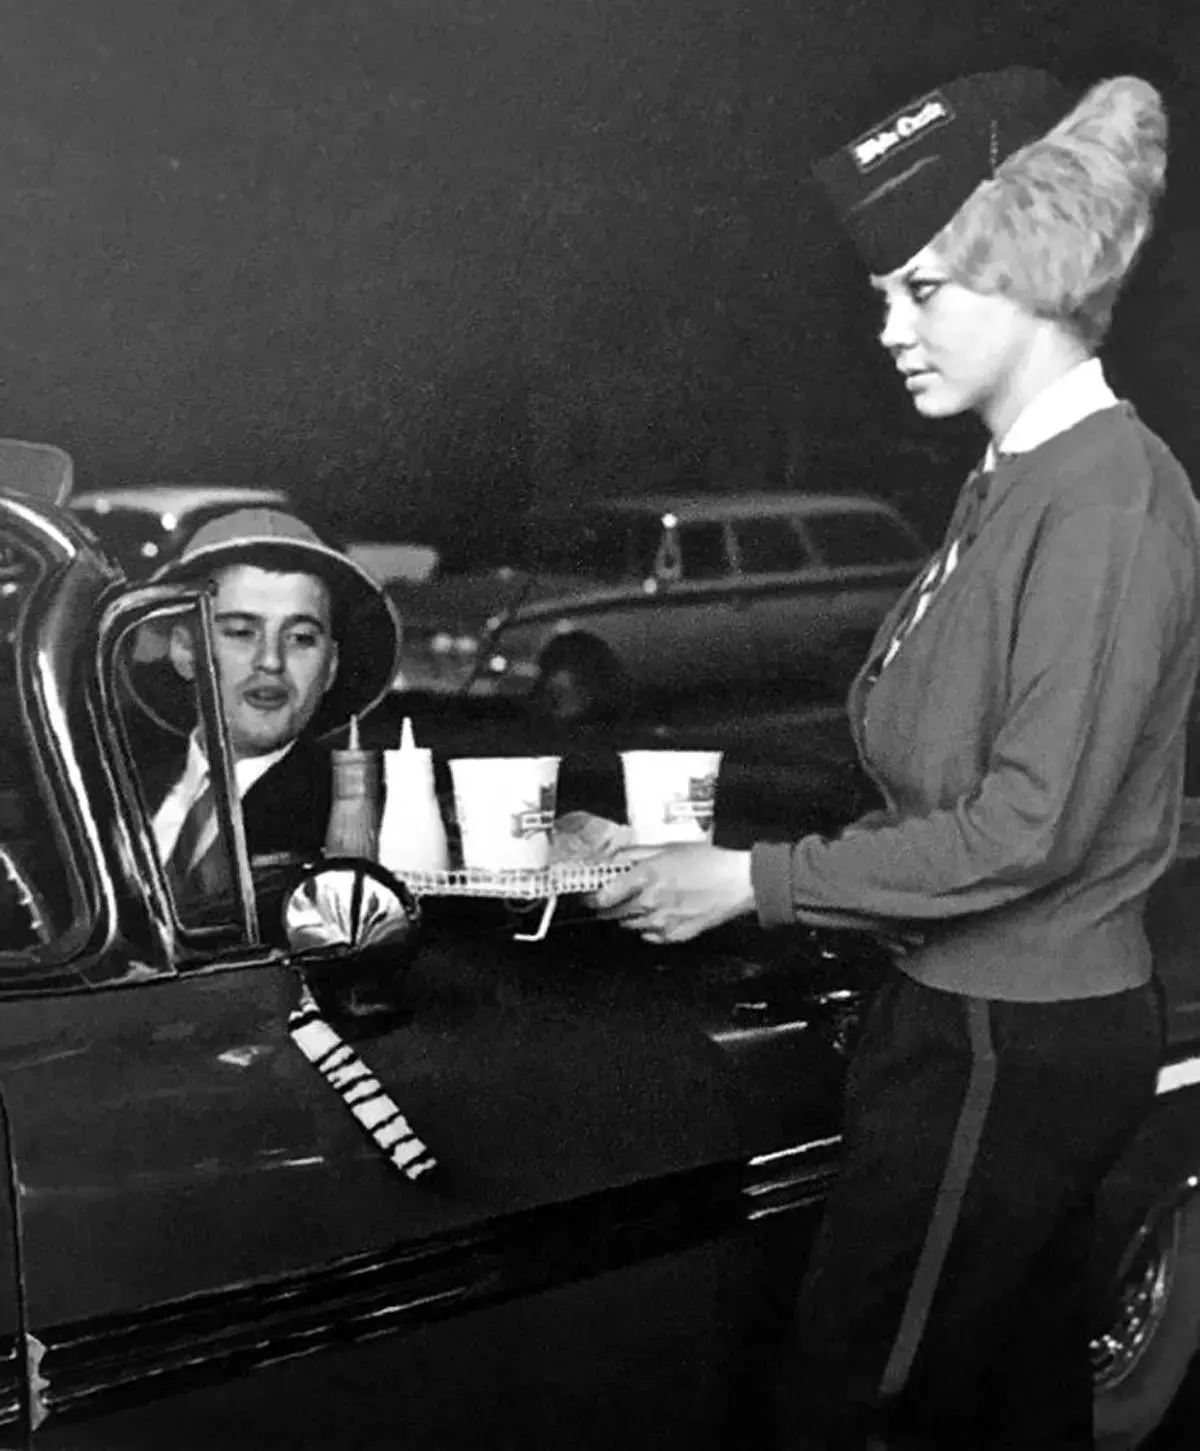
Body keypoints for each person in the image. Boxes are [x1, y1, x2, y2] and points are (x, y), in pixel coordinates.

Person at [591, 67, 1200, 1448]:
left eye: (920, 289)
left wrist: (750, 879)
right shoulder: (1020, 475)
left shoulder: (1101, 494)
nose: (887, 327)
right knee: (1001, 1400)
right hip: (978, 1015)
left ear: (1036, 273)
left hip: (1009, 1034)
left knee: (865, 1401)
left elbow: (1026, 831)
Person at [131, 508, 399, 906]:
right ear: (185, 649)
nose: (271, 660)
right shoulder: (117, 785)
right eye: (241, 632)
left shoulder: (363, 817)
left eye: (302, 638)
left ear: (331, 667)